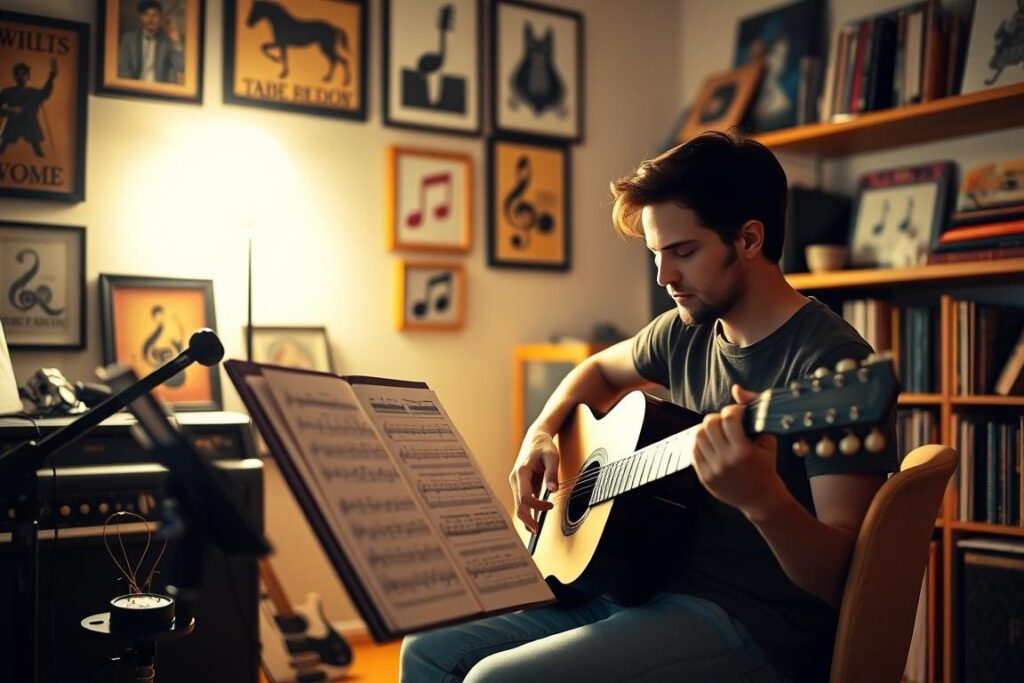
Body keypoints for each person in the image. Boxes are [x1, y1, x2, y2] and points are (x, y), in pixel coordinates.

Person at [399, 132, 899, 683]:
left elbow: (843, 580)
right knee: (426, 650)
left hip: (756, 622)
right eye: (657, 255)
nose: (665, 277)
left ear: (750, 238)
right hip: (642, 582)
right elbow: (595, 371)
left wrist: (764, 501)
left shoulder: (832, 365)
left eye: (684, 252)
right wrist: (540, 433)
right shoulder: (687, 330)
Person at [117, 0, 184, 84]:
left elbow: (179, 67)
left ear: (161, 17)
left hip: (160, 90)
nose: (150, 19)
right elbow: (123, 70)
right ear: (140, 17)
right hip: (133, 88)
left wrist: (176, 41)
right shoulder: (128, 39)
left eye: (155, 15)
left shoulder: (167, 40)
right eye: (146, 14)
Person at [0, 59, 57, 158]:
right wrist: (11, 109)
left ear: (28, 76)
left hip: (30, 123)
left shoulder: (33, 92)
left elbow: (45, 93)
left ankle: (41, 154)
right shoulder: (8, 91)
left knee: (38, 151)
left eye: (23, 74)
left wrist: (51, 76)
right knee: (3, 146)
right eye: (18, 74)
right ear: (14, 76)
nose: (21, 77)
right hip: (13, 123)